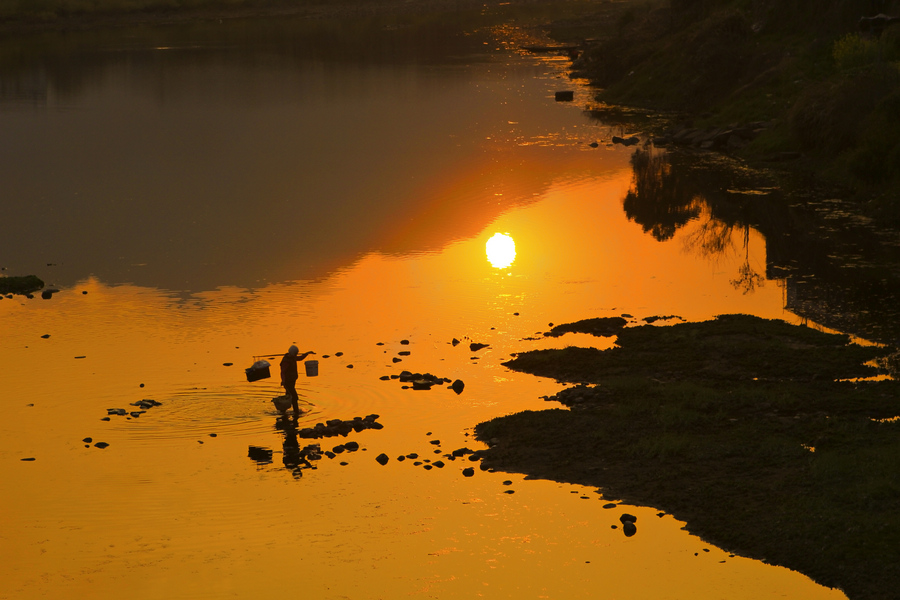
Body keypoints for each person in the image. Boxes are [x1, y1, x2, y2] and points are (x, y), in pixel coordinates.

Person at [280, 345, 313, 415]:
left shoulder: (293, 357)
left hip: (292, 381)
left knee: (288, 397)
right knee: (294, 397)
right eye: (295, 353)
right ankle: (296, 411)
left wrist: (307, 353)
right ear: (292, 353)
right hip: (287, 382)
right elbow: (283, 372)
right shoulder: (286, 361)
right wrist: (283, 380)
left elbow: (300, 358)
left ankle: (283, 412)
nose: (296, 355)